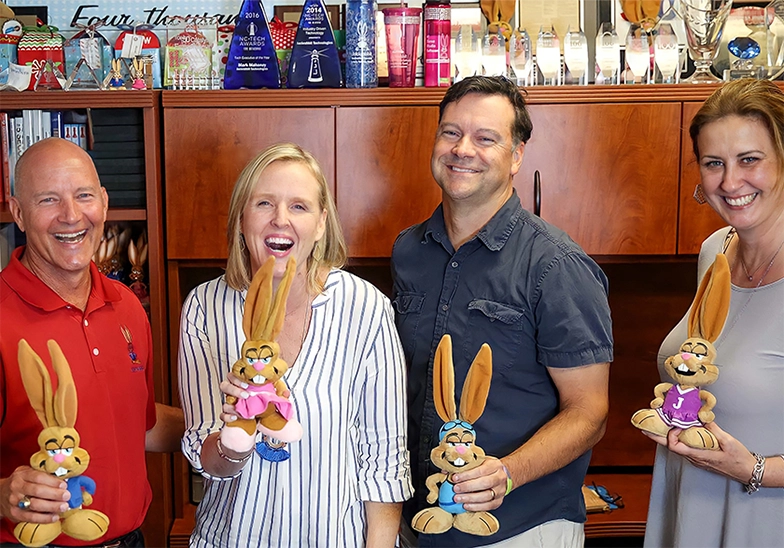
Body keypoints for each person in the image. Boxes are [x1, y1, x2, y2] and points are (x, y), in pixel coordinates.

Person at [392, 75, 613, 548]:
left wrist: (507, 473)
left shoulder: (558, 266)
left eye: (485, 137)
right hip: (416, 522)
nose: (462, 149)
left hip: (521, 527)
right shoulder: (408, 251)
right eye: (450, 132)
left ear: (516, 156)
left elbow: (589, 412)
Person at [178, 142, 413, 547]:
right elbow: (207, 456)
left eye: (299, 207)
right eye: (264, 203)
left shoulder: (366, 308)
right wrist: (237, 432)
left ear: (321, 223)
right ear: (240, 219)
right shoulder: (204, 306)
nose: (280, 220)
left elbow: (384, 462)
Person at [0, 137, 184, 547]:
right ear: (18, 213)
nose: (71, 216)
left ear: (103, 202)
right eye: (48, 199)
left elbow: (139, 422)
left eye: (83, 196)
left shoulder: (127, 307)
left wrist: (223, 426)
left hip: (131, 539)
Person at [643, 79, 784, 547]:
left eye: (749, 160)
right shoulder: (713, 253)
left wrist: (755, 468)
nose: (729, 182)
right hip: (688, 507)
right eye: (713, 164)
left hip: (763, 521)